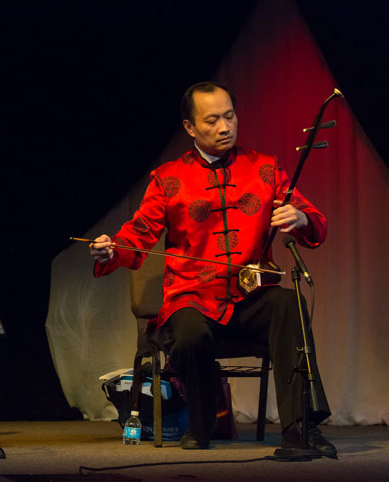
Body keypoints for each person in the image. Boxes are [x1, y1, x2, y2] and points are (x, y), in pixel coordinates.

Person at [90, 81, 335, 456]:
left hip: (250, 296)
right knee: (188, 334)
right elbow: (139, 235)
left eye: (230, 116)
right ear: (190, 127)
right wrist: (111, 252)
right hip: (192, 297)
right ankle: (200, 424)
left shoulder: (265, 169)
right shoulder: (168, 178)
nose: (225, 127)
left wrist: (301, 217)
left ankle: (300, 429)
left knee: (291, 306)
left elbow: (315, 223)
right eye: (212, 120)